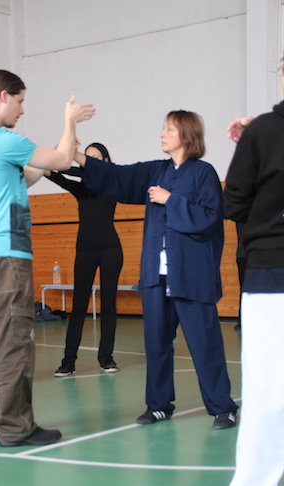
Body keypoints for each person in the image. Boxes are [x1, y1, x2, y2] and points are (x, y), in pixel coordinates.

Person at [0, 69, 95, 447]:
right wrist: (69, 121)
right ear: (3, 96)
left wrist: (51, 155)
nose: (22, 109)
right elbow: (62, 158)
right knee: (15, 342)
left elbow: (24, 177)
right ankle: (16, 427)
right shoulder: (3, 140)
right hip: (8, 259)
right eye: (20, 100)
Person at [75, 110, 238, 429]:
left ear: (187, 136)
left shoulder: (203, 173)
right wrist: (78, 157)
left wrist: (170, 200)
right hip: (156, 277)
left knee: (205, 344)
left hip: (190, 276)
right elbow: (118, 176)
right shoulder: (155, 171)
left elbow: (209, 218)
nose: (162, 134)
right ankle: (159, 405)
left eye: (169, 129)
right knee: (156, 343)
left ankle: (224, 407)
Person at [220, 68, 284, 486]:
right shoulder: (262, 130)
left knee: (266, 391)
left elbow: (236, 204)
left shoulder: (263, 132)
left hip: (271, 270)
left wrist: (257, 142)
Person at [44, 142, 123, 376]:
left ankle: (106, 358)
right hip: (85, 251)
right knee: (78, 307)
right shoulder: (81, 188)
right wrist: (58, 154)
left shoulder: (113, 184)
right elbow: (54, 174)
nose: (90, 161)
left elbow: (105, 173)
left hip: (111, 250)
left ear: (106, 161)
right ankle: (68, 362)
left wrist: (83, 166)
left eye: (96, 157)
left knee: (108, 306)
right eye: (87, 157)